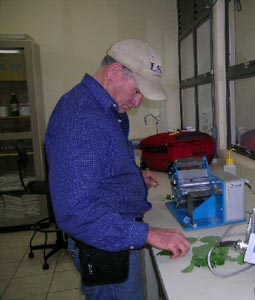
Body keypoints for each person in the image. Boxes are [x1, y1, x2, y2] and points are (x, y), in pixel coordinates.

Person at [45, 39, 191, 300]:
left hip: (116, 235)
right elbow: (75, 212)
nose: (137, 103)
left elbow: (103, 166)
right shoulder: (81, 118)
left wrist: (132, 178)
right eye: (136, 92)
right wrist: (149, 234)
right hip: (106, 248)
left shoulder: (106, 110)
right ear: (114, 73)